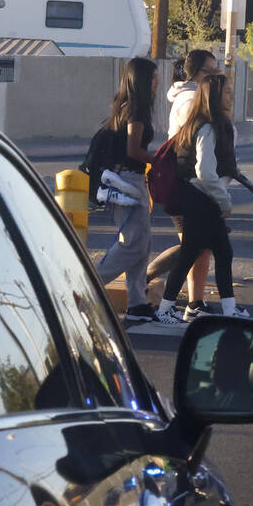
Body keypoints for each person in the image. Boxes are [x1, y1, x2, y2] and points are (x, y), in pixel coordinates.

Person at [155, 74, 248, 323]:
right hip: (200, 199)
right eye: (227, 92)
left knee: (220, 252)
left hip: (201, 199)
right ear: (215, 97)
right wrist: (223, 200)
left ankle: (228, 308)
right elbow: (205, 171)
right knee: (193, 253)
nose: (231, 96)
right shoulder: (207, 127)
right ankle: (165, 308)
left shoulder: (205, 124)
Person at [146, 49, 219, 312]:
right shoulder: (191, 100)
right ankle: (181, 298)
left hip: (192, 183)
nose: (215, 77)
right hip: (186, 184)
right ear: (195, 73)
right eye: (209, 72)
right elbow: (199, 145)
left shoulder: (196, 98)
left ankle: (194, 300)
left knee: (198, 245)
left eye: (216, 71)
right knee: (196, 244)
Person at [97, 57, 159, 325]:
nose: (158, 81)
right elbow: (134, 150)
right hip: (129, 181)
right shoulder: (137, 110)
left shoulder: (123, 105)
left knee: (142, 244)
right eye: (155, 77)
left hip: (126, 179)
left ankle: (137, 303)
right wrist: (160, 160)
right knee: (132, 244)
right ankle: (89, 284)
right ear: (144, 80)